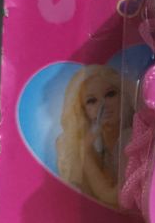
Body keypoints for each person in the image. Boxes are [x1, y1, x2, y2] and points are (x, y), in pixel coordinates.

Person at [56, 65, 133, 205]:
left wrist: (85, 152)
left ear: (123, 95)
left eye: (110, 94)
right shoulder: (100, 147)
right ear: (83, 111)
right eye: (92, 101)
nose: (103, 105)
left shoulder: (130, 138)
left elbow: (115, 197)